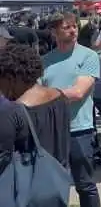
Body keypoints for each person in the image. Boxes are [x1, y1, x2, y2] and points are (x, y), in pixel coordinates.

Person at [40, 12, 101, 207]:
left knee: (85, 185)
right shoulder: (44, 61)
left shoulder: (89, 56)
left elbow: (78, 92)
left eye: (74, 26)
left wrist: (46, 95)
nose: (73, 30)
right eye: (66, 27)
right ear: (53, 32)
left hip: (80, 131)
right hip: (52, 132)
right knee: (55, 186)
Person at [0, 43, 71, 171]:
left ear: (10, 78)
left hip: (26, 185)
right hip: (58, 179)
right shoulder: (60, 96)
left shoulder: (12, 112)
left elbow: (3, 159)